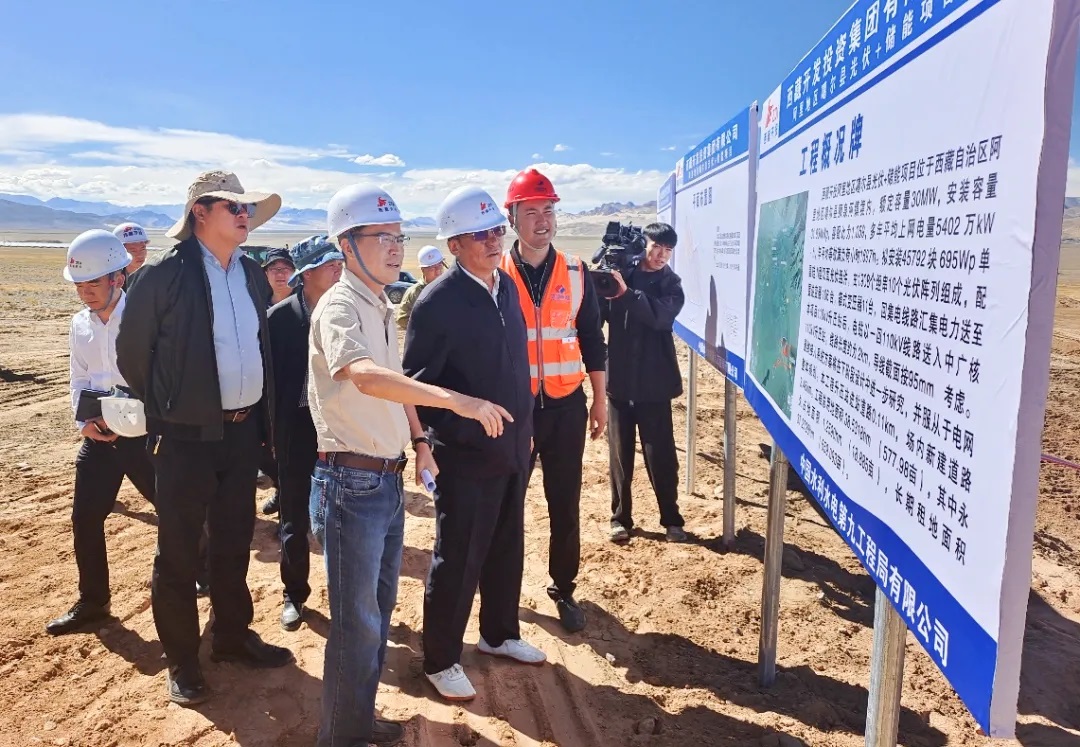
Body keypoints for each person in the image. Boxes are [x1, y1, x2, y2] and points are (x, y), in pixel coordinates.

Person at [309, 184, 512, 746]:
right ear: (346, 244)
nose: (395, 247)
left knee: (376, 614)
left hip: (385, 476)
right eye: (381, 237)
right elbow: (364, 375)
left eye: (398, 236)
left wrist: (419, 439)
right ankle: (341, 737)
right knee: (356, 625)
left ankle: (357, 720)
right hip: (350, 481)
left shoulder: (377, 303)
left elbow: (398, 385)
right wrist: (455, 401)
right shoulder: (340, 305)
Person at [117, 170, 293, 707]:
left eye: (247, 208)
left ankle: (232, 637)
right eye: (233, 207)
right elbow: (132, 355)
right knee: (179, 551)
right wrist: (172, 408)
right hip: (185, 438)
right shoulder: (163, 275)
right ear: (200, 212)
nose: (244, 215)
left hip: (241, 434)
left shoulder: (252, 273)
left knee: (234, 541)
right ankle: (182, 661)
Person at [403, 185, 541, 703]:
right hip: (464, 457)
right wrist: (448, 433)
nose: (492, 241)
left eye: (496, 230)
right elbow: (417, 386)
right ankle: (440, 660)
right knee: (459, 557)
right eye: (479, 235)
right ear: (454, 245)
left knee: (507, 547)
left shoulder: (505, 288)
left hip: (512, 449)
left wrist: (524, 431)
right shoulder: (437, 303)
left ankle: (499, 634)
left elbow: (514, 365)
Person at [500, 168, 606, 633]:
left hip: (566, 407)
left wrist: (599, 399)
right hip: (515, 411)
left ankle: (564, 587)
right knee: (507, 505)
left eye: (548, 210)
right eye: (531, 212)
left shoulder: (577, 273)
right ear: (512, 218)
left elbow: (592, 339)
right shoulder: (496, 275)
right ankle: (502, 592)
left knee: (565, 503)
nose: (542, 220)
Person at [46, 230, 157, 635]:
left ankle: (203, 573)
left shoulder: (146, 319)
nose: (85, 292)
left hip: (145, 439)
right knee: (85, 519)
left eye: (93, 282)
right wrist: (85, 424)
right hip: (99, 437)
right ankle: (94, 602)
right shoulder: (80, 324)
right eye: (79, 284)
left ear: (117, 277)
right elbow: (79, 377)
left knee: (177, 512)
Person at [266, 234, 344, 632]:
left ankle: (346, 597)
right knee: (294, 516)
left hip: (342, 430)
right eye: (330, 265)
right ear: (308, 273)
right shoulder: (279, 319)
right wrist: (270, 437)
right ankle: (294, 594)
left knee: (343, 518)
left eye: (339, 263)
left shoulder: (346, 312)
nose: (338, 270)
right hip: (296, 432)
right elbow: (269, 385)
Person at [600, 222, 689, 544]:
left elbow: (660, 317)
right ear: (644, 245)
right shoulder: (622, 275)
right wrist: (603, 276)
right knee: (620, 457)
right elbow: (598, 313)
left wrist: (625, 293)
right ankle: (620, 519)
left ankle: (672, 520)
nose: (661, 255)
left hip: (655, 385)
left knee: (661, 456)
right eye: (656, 247)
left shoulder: (671, 284)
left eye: (668, 250)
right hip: (620, 381)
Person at [394, 244, 447, 331]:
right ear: (423, 270)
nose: (438, 272)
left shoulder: (449, 288)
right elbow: (402, 319)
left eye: (440, 266)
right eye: (432, 268)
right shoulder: (414, 292)